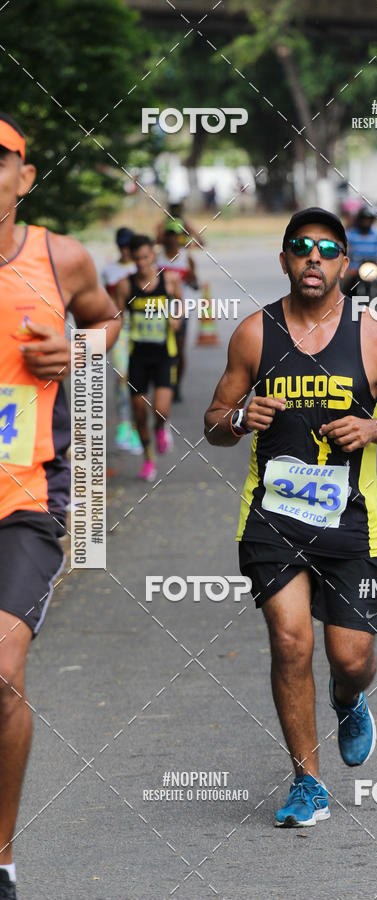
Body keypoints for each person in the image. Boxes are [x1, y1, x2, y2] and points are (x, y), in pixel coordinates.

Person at [204, 207, 377, 828]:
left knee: (351, 657)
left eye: (328, 249)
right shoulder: (254, 333)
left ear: (344, 265)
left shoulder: (375, 335)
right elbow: (215, 421)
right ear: (283, 260)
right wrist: (242, 417)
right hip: (271, 519)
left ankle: (348, 698)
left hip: (351, 522)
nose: (314, 258)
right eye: (301, 247)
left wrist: (375, 426)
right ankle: (308, 782)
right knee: (289, 641)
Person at [0, 112, 120, 900]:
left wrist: (74, 351)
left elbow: (107, 320)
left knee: (1, 673)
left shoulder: (60, 257)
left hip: (24, 495)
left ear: (23, 175)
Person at [114, 234, 182, 482]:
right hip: (138, 357)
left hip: (164, 355)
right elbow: (117, 320)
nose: (142, 263)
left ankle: (162, 428)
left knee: (161, 410)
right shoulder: (125, 285)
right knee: (139, 413)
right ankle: (148, 459)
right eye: (137, 258)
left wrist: (176, 317)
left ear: (153, 255)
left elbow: (179, 305)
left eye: (146, 257)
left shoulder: (170, 280)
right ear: (131, 258)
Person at [101, 227, 142, 452]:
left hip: (141, 330)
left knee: (139, 380)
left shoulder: (141, 267)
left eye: (129, 247)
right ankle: (125, 423)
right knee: (121, 375)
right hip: (120, 328)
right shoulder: (109, 270)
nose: (125, 251)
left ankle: (137, 427)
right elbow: (105, 301)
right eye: (122, 247)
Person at [156, 218, 199, 402]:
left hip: (181, 309)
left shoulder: (186, 258)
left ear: (182, 237)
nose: (173, 239)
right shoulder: (156, 258)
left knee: (179, 350)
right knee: (161, 349)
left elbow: (196, 283)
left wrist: (189, 280)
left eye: (177, 235)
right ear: (164, 237)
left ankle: (177, 385)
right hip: (160, 310)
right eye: (170, 235)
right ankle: (162, 383)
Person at [341, 204, 377, 296]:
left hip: (374, 268)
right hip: (354, 269)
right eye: (364, 219)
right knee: (345, 281)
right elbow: (344, 251)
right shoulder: (350, 235)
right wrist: (349, 268)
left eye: (369, 220)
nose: (366, 222)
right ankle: (344, 303)